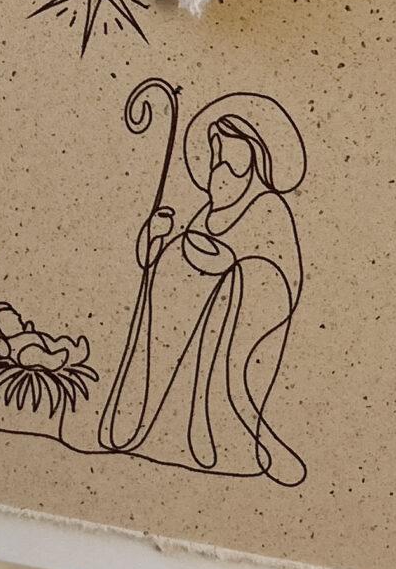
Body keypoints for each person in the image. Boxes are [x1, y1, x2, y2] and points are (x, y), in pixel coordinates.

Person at [100, 93, 307, 484]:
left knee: (215, 378)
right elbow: (154, 263)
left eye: (232, 163)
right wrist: (155, 236)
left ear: (254, 164)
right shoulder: (205, 211)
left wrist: (236, 273)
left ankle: (222, 441)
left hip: (224, 335)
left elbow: (279, 278)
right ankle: (150, 433)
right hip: (178, 330)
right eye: (216, 161)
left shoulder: (269, 210)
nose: (220, 173)